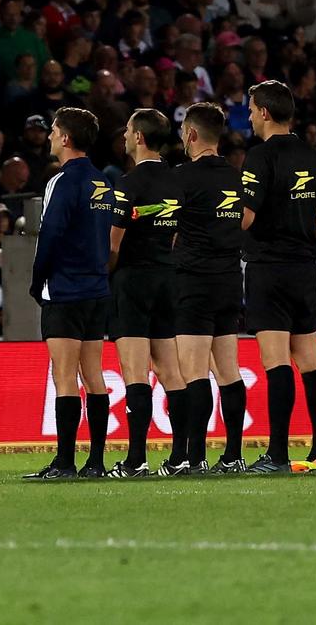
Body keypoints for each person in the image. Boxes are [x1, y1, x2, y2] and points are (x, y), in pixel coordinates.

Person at [239, 79, 316, 473]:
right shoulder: (312, 157)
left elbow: (244, 217)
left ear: (264, 111)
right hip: (304, 268)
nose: (248, 117)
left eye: (250, 110)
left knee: (276, 359)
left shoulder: (259, 157)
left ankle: (277, 453)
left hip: (268, 268)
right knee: (310, 358)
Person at [25, 106, 114, 480]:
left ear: (64, 137)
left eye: (53, 130)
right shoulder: (104, 183)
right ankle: (95, 462)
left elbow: (50, 235)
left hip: (64, 288)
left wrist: (36, 279)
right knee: (93, 374)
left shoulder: (61, 181)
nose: (48, 137)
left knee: (64, 375)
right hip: (97, 289)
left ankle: (65, 462)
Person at [165, 102, 249, 474]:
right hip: (230, 279)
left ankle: (194, 457)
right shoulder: (237, 177)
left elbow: (167, 229)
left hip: (194, 280)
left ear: (193, 135)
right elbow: (245, 219)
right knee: (228, 369)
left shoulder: (183, 177)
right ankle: (233, 454)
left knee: (194, 370)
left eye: (185, 131)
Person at [105, 107, 180, 478]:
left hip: (133, 280)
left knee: (135, 370)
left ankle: (136, 460)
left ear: (137, 137)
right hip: (168, 278)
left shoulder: (128, 184)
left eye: (128, 131)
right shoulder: (177, 182)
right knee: (171, 371)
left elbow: (113, 246)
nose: (123, 137)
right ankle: (183, 456)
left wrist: (106, 274)